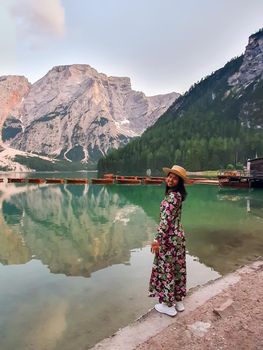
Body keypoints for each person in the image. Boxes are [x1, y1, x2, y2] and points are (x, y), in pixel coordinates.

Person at [148, 164, 189, 317]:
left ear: (179, 182)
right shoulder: (178, 196)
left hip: (169, 239)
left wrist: (157, 240)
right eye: (170, 176)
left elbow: (165, 221)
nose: (171, 179)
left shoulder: (172, 197)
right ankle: (178, 301)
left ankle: (168, 305)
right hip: (178, 238)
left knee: (167, 270)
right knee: (177, 268)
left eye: (174, 178)